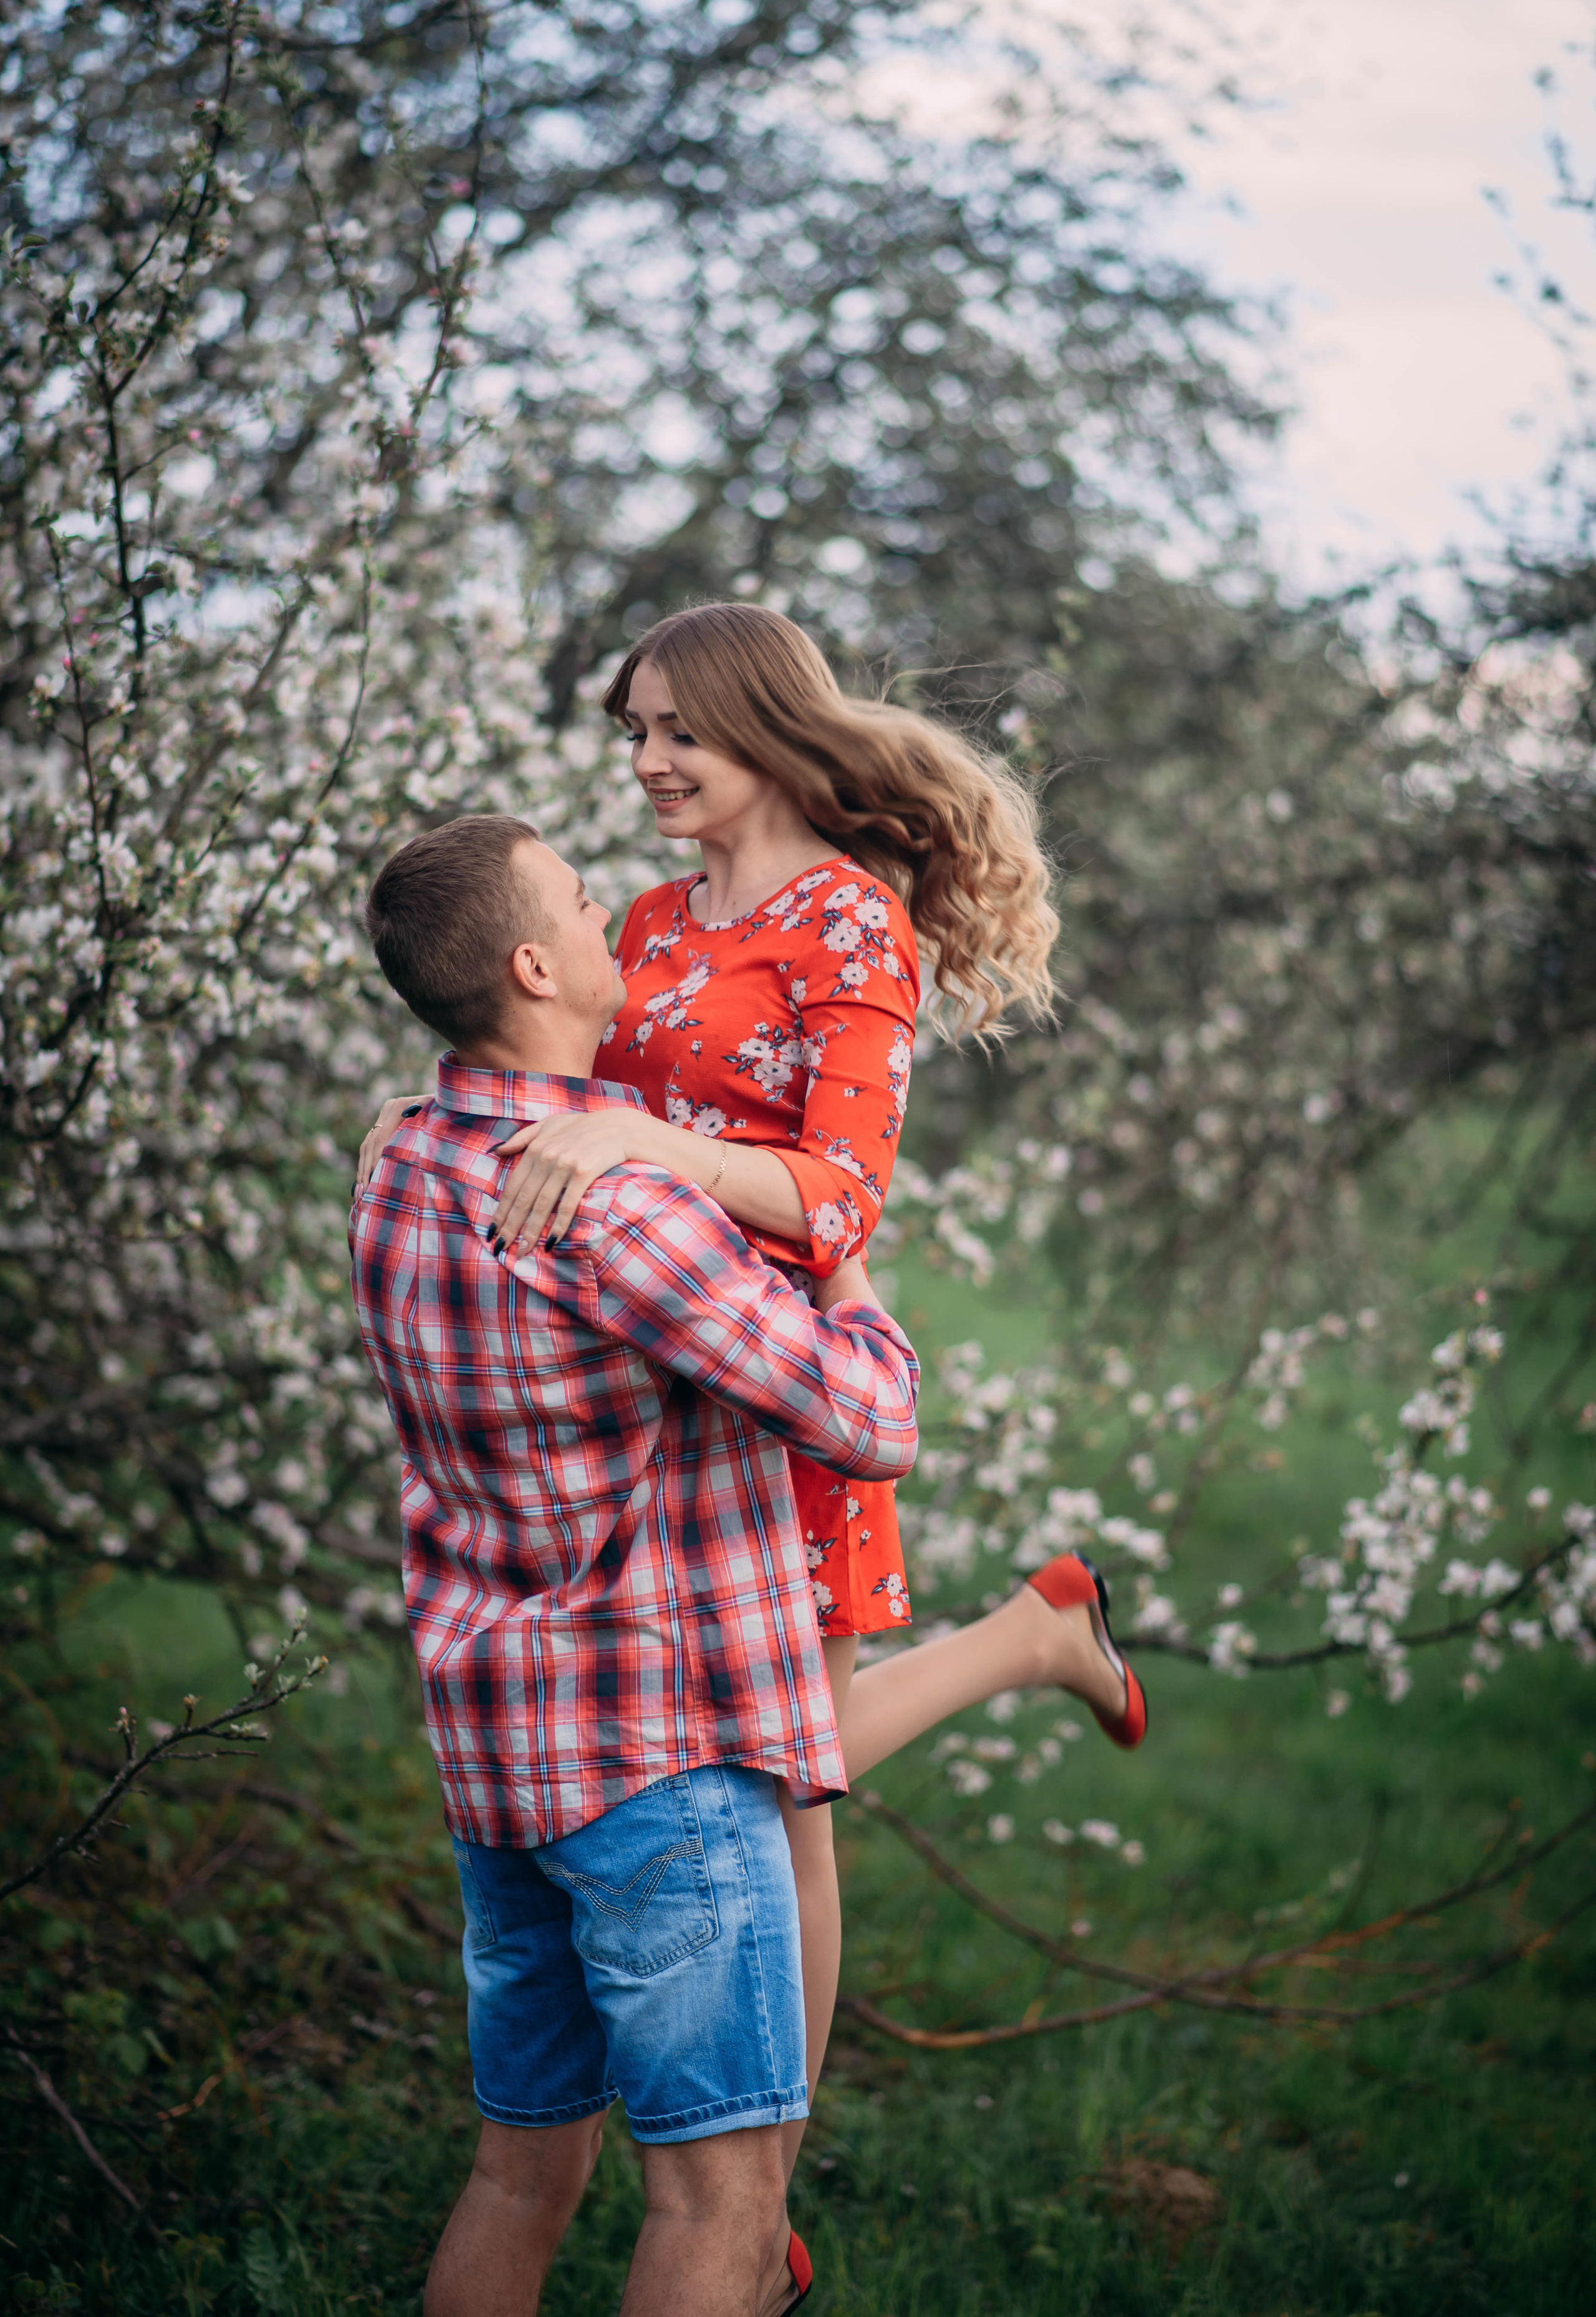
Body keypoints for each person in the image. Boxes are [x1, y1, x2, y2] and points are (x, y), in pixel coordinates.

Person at [357, 604, 1147, 2172]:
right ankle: (1029, 1635)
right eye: (633, 734)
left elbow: (841, 1196)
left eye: (678, 731)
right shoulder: (649, 920)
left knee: (791, 1787)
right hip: (655, 1380)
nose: (647, 762)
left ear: (763, 729)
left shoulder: (849, 923)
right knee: (758, 1758)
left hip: (785, 1386)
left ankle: (755, 2192)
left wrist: (650, 1145)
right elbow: (552, 1083)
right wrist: (436, 1113)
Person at [349, 811, 921, 2317]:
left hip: (498, 1764)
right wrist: (845, 1265)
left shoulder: (395, 1160)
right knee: (720, 2204)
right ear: (536, 967)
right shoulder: (620, 1209)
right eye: (580, 900)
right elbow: (871, 1422)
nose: (612, 914)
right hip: (655, 1766)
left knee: (515, 2175)